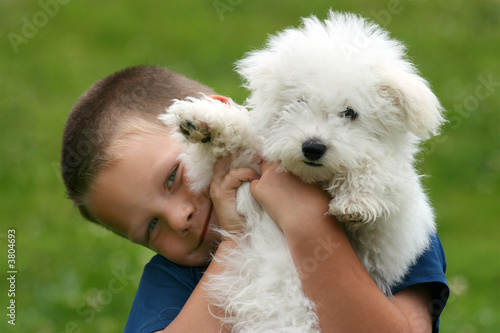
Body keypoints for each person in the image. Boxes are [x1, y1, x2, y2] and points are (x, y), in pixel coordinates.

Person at [61, 65, 449, 332]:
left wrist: (307, 223)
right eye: (151, 227)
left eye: (172, 179)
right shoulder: (174, 279)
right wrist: (236, 240)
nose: (179, 218)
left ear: (208, 123)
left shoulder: (379, 211)